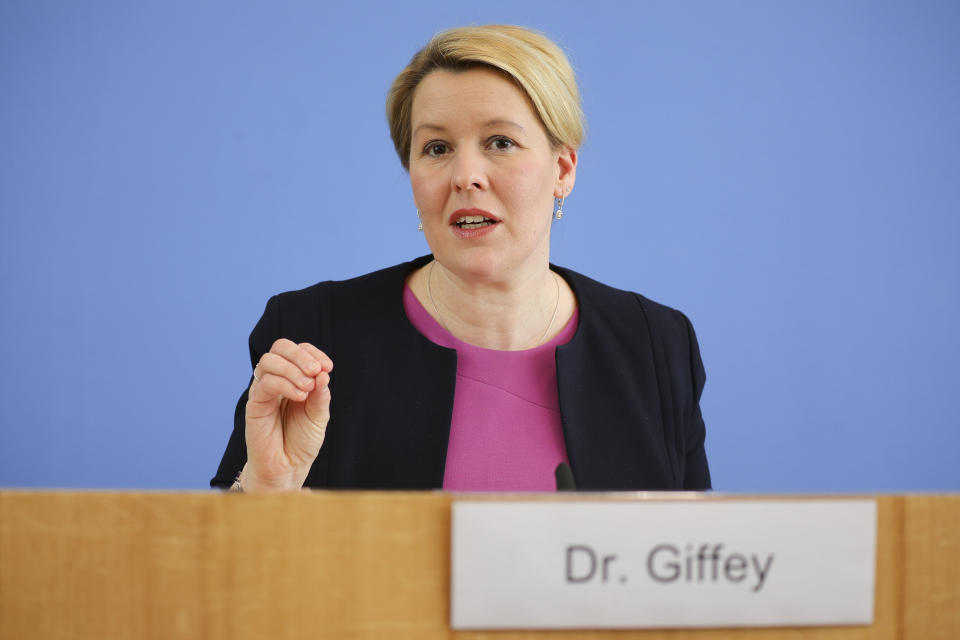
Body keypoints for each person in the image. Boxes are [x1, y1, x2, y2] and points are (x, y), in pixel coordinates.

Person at [211, 25, 711, 492]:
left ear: (562, 169)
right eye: (436, 148)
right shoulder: (312, 334)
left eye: (500, 142)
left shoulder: (655, 346)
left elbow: (693, 566)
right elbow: (216, 574)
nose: (464, 175)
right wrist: (265, 488)